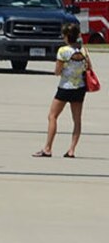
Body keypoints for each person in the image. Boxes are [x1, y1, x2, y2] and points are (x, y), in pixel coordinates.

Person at [39, 21, 89, 158]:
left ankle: (48, 148)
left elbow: (57, 71)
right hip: (79, 87)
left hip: (65, 87)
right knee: (77, 119)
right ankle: (72, 149)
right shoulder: (83, 50)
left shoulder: (63, 51)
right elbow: (88, 67)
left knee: (52, 116)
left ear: (67, 36)